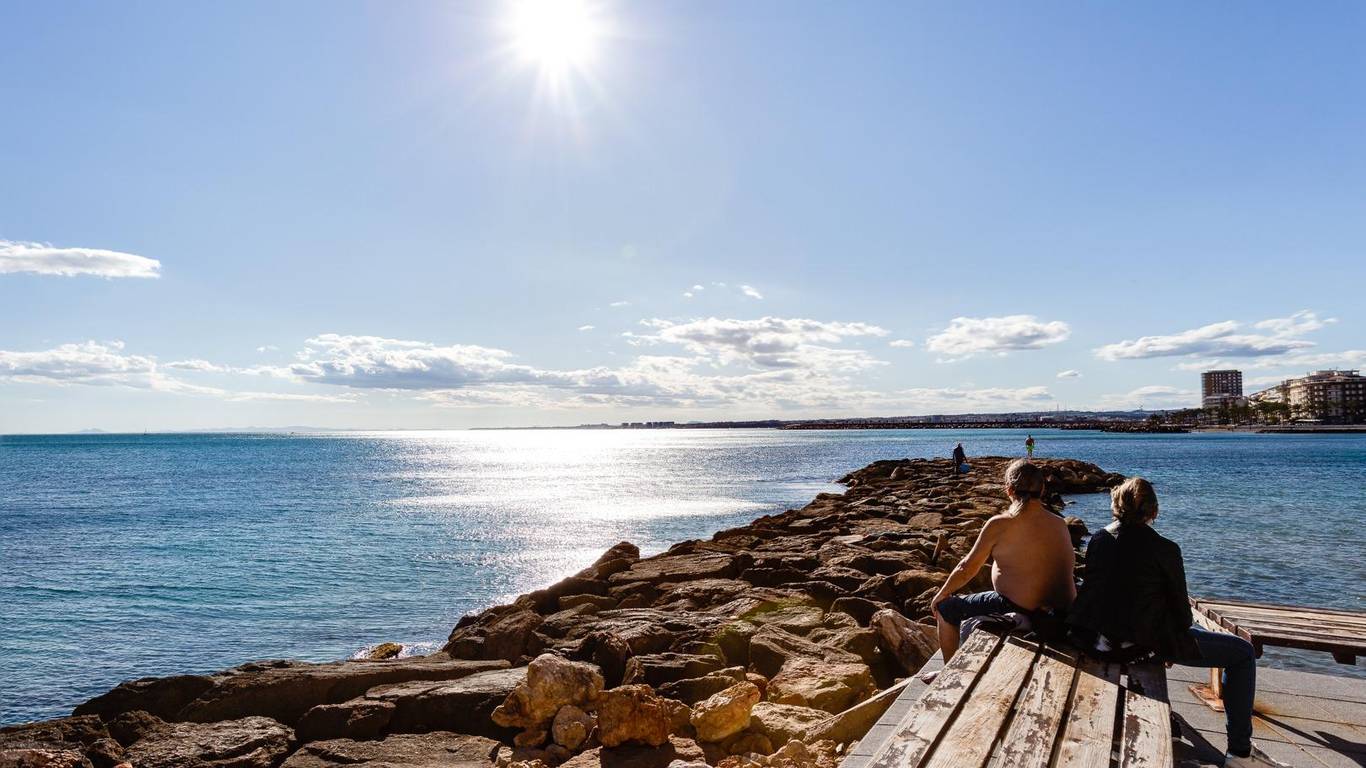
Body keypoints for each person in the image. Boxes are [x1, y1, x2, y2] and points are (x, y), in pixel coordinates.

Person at [1068, 477, 1288, 768]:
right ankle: (1240, 753)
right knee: (1242, 653)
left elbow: (1094, 593)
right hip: (1144, 644)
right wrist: (1170, 642)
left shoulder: (1099, 539)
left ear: (1117, 506)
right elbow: (1182, 617)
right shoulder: (1165, 549)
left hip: (1099, 639)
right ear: (1154, 511)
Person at [930, 459, 1076, 661]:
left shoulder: (1000, 524)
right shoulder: (1059, 523)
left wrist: (941, 595)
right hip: (1060, 611)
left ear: (1009, 490)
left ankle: (948, 669)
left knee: (946, 609)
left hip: (1021, 609)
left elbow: (967, 568)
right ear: (1042, 489)